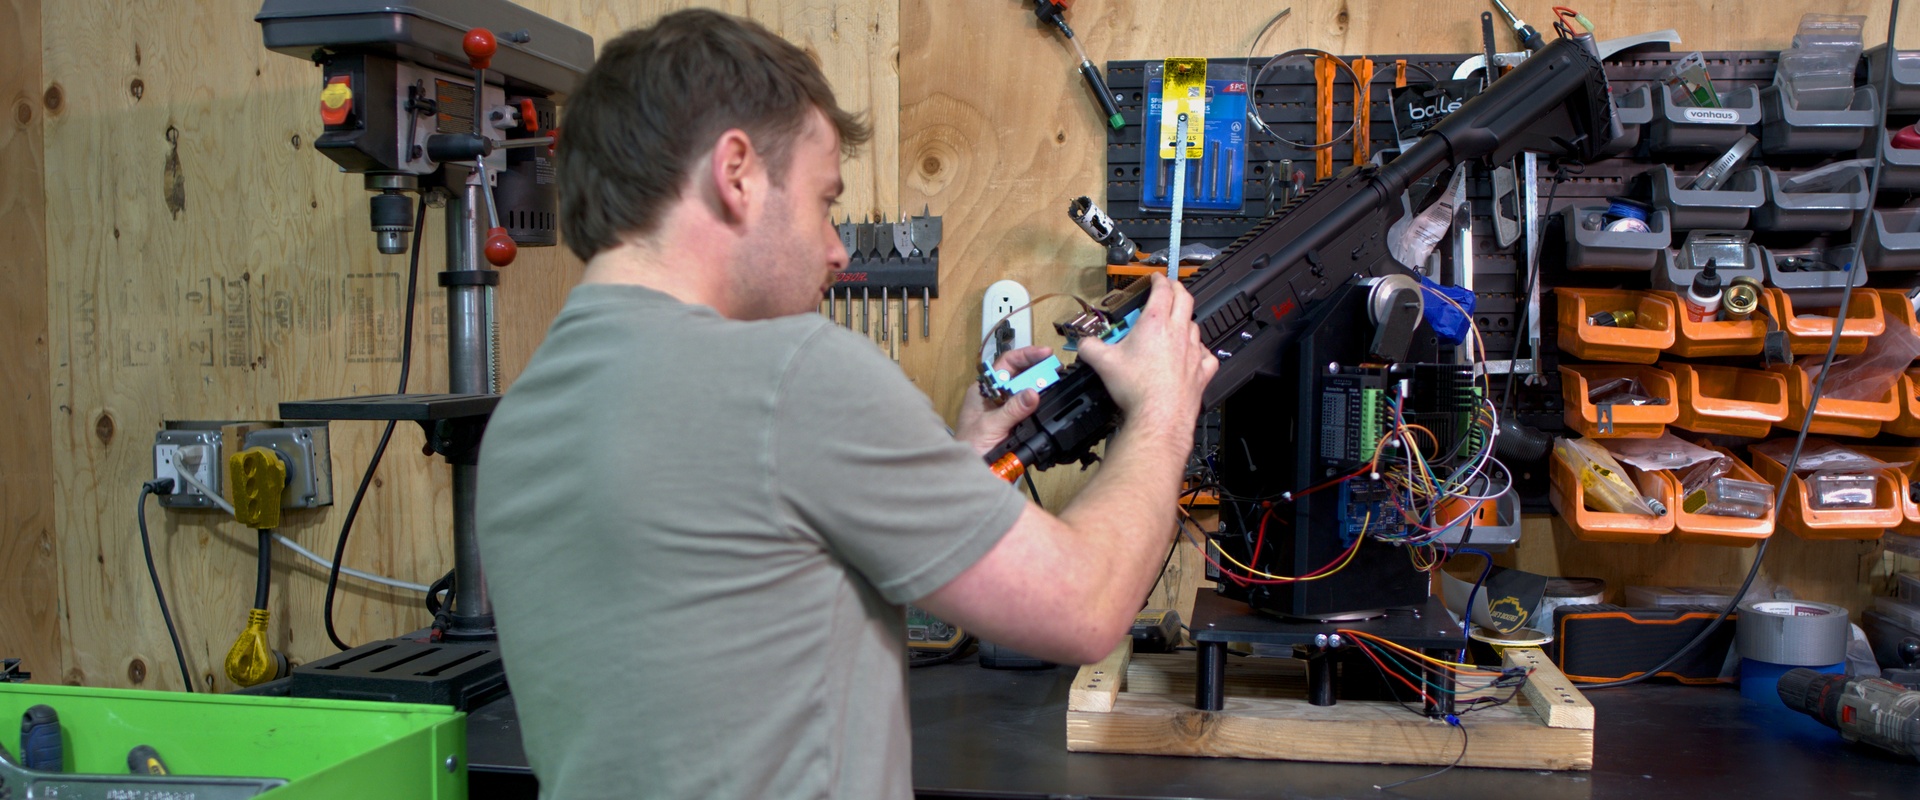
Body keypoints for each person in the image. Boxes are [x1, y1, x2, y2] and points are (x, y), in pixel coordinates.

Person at [475, 9, 1216, 799]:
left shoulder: (523, 419)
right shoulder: (790, 375)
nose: (836, 250)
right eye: (824, 201)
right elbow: (1086, 606)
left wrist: (955, 468)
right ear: (736, 173)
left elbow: (745, 584)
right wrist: (1163, 409)